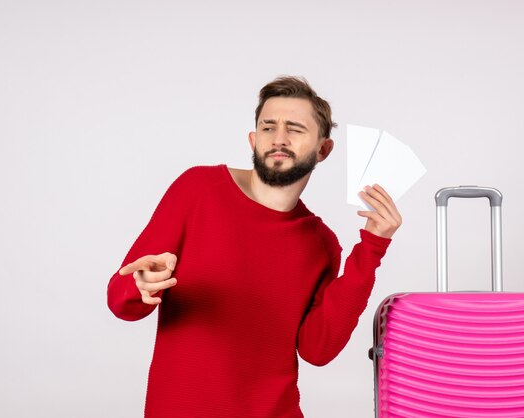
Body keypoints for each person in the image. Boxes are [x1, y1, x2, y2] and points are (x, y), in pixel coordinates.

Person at [107, 76, 402, 418]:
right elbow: (121, 301)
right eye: (268, 127)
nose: (279, 138)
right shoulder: (197, 190)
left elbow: (318, 349)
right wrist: (140, 286)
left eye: (294, 128)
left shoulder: (321, 244)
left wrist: (372, 248)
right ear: (253, 139)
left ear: (323, 149)